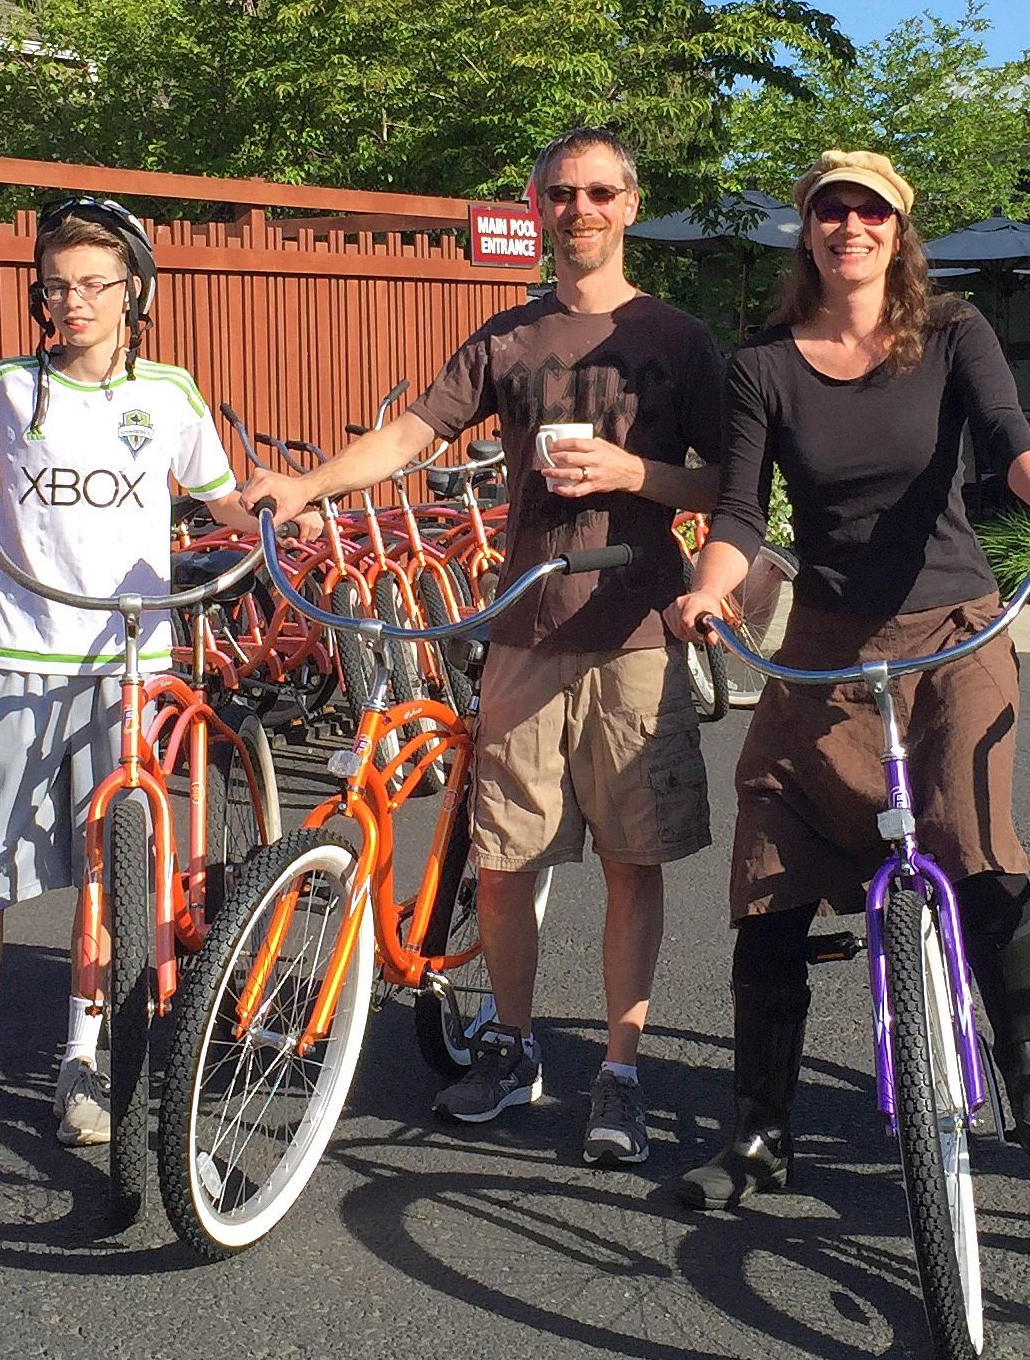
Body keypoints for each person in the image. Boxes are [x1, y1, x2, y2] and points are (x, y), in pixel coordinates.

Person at [244, 128, 724, 1169]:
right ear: (537, 205)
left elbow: (728, 487)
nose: (581, 210)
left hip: (635, 633)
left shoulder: (680, 341)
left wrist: (635, 477)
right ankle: (514, 1045)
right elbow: (412, 433)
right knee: (502, 864)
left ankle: (623, 1072)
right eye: (562, 194)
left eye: (600, 193)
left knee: (633, 865)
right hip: (524, 631)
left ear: (630, 205)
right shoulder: (507, 339)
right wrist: (308, 484)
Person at [663, 150, 1030, 1208]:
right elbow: (737, 510)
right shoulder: (762, 361)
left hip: (953, 626)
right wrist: (711, 589)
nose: (849, 227)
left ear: (899, 232)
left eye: (871, 211)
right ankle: (760, 1134)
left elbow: (1007, 440)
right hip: (824, 642)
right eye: (829, 211)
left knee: (973, 825)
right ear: (806, 232)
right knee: (767, 853)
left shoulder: (953, 332)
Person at [0, 195, 272, 1160]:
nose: (74, 302)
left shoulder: (173, 396)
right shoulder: (13, 390)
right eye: (58, 286)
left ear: (133, 293)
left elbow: (221, 499)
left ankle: (80, 1060)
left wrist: (279, 520)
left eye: (94, 285)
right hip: (26, 658)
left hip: (133, 665)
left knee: (110, 878)